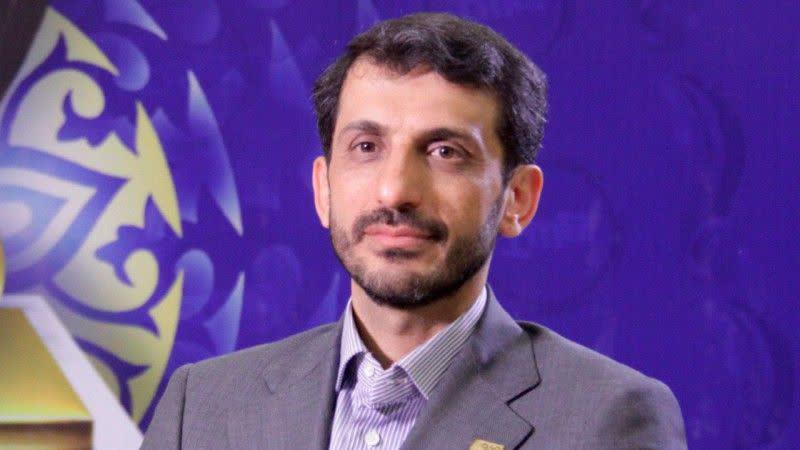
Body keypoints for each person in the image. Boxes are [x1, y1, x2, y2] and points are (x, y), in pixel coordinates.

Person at [142, 12, 687, 450]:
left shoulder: (607, 419)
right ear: (323, 189)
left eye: (445, 152)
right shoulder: (203, 407)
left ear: (517, 199)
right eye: (366, 147)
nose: (394, 191)